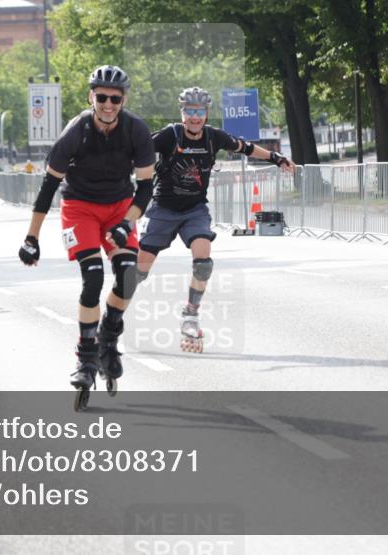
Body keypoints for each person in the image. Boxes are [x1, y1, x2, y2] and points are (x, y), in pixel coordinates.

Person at [18, 65, 155, 410]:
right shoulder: (74, 133)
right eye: (102, 97)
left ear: (124, 100)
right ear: (90, 97)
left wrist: (127, 222)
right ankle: (86, 355)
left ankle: (110, 333)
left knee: (128, 275)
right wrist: (31, 238)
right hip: (79, 207)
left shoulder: (136, 131)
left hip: (120, 206)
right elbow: (48, 188)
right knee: (93, 276)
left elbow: (146, 188)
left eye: (115, 98)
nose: (108, 104)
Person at [136, 87, 295, 352]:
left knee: (203, 261)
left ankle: (190, 313)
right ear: (182, 112)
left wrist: (275, 157)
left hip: (194, 209)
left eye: (199, 112)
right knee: (138, 272)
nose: (195, 117)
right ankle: (113, 314)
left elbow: (245, 147)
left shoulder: (213, 137)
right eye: (189, 111)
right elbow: (138, 150)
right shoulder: (170, 135)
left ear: (207, 114)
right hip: (163, 209)